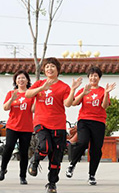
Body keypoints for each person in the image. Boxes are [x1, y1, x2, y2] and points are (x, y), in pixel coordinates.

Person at [25, 57, 79, 193]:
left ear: (58, 70)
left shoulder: (64, 87)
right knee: (45, 146)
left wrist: (72, 90)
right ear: (44, 69)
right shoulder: (39, 83)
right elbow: (27, 94)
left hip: (58, 125)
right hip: (41, 122)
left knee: (56, 157)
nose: (50, 69)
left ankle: (52, 183)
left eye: (53, 66)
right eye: (47, 66)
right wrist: (42, 88)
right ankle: (35, 160)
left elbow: (67, 103)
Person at [65, 65, 116, 186]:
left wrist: (106, 93)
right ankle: (72, 164)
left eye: (96, 76)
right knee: (82, 142)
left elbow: (104, 106)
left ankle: (92, 175)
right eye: (91, 76)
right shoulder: (84, 89)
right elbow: (73, 103)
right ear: (88, 77)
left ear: (99, 78)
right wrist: (83, 93)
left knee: (96, 150)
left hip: (98, 122)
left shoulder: (103, 91)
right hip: (84, 121)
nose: (93, 78)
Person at [0, 69, 35, 185]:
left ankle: (22, 176)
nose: (21, 80)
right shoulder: (11, 93)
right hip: (13, 126)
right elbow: (5, 107)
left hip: (26, 127)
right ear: (15, 81)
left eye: (23, 78)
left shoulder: (31, 94)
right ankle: (3, 169)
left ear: (27, 80)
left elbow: (33, 110)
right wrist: (11, 99)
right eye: (18, 78)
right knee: (8, 148)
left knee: (24, 152)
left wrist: (37, 100)